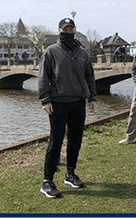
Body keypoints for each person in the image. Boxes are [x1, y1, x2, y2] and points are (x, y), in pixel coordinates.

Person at [38, 17, 96, 198]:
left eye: (71, 29)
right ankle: (47, 181)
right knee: (56, 141)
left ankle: (70, 173)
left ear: (75, 30)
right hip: (58, 103)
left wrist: (92, 96)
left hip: (78, 102)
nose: (68, 32)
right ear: (60, 31)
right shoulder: (51, 52)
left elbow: (89, 75)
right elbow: (43, 77)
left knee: (75, 140)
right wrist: (45, 100)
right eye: (65, 29)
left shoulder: (82, 52)